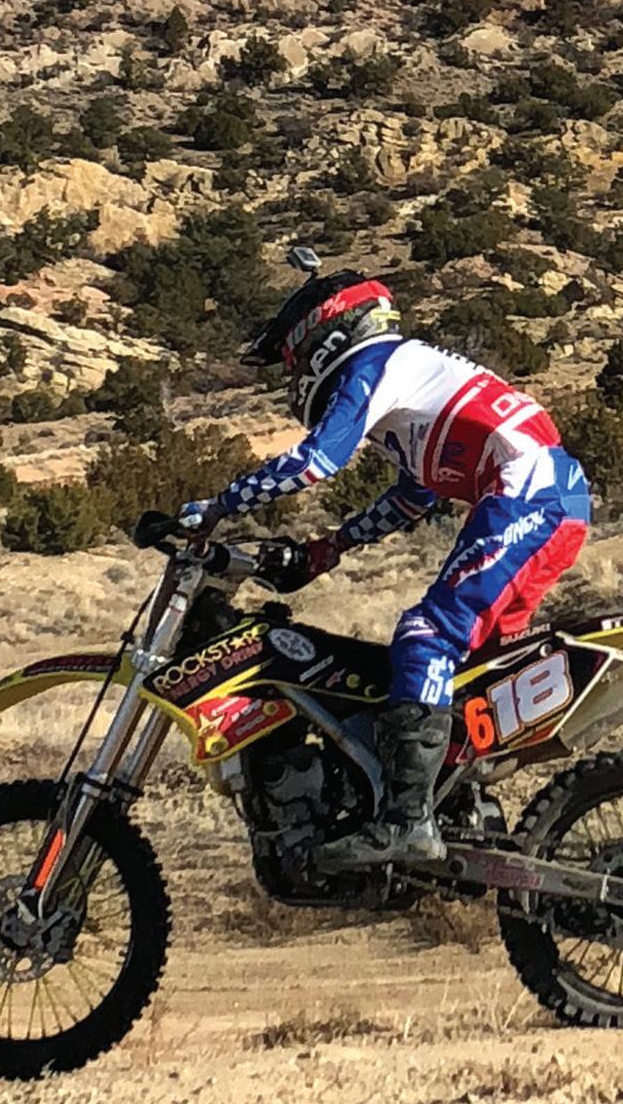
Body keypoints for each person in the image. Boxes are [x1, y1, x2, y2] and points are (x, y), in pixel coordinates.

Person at [178, 267, 592, 871]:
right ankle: (454, 809)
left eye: (295, 362)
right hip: (551, 499)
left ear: (326, 336)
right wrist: (330, 548)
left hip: (528, 492)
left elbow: (317, 461)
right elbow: (412, 497)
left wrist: (217, 506)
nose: (296, 377)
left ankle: (406, 822)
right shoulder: (415, 378)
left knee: (428, 635)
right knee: (472, 671)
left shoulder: (373, 366)